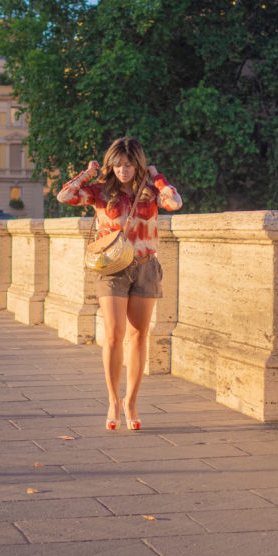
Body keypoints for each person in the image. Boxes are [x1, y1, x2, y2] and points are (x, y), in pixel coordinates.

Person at [57, 137, 182, 431]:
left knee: (138, 336)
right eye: (117, 164)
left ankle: (131, 402)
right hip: (112, 268)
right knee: (114, 334)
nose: (122, 170)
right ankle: (113, 400)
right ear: (111, 165)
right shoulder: (100, 191)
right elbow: (64, 196)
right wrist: (88, 173)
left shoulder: (151, 193)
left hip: (145, 267)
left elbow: (175, 202)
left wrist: (157, 177)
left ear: (136, 164)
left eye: (128, 165)